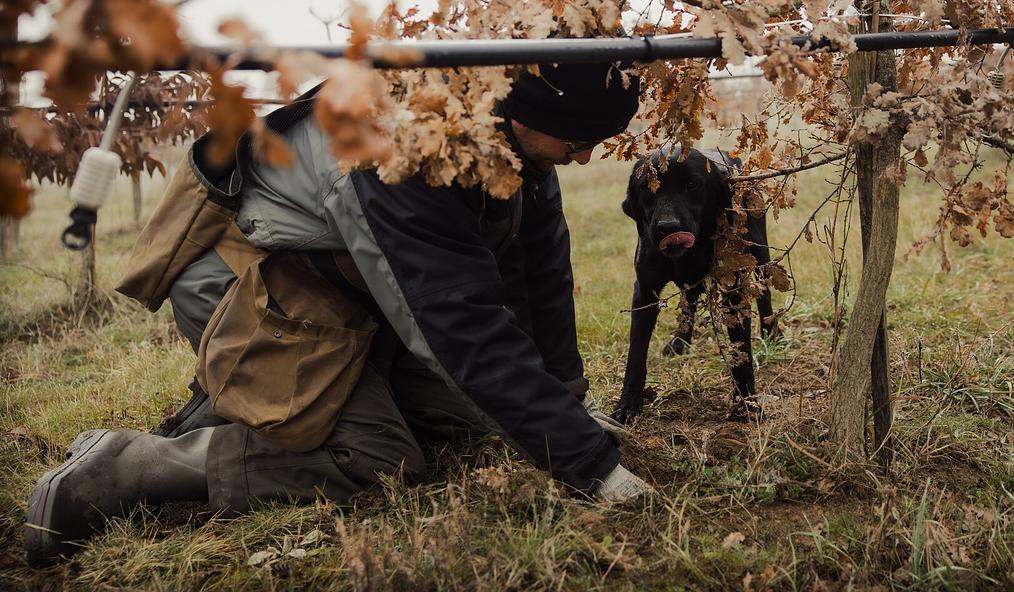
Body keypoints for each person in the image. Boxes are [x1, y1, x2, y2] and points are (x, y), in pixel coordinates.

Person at [25, 61, 650, 567]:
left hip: (348, 292)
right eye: (581, 140)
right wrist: (588, 466)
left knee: (472, 419)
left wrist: (566, 404)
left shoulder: (511, 147)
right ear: (532, 112)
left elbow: (540, 274)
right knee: (377, 458)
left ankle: (243, 405)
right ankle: (129, 466)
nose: (585, 157)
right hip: (251, 282)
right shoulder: (398, 150)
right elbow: (453, 324)